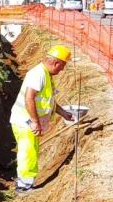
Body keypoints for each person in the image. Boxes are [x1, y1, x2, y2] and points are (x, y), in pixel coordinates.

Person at [10, 43, 77, 192]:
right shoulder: (38, 74)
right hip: (25, 121)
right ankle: (23, 187)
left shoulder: (46, 74)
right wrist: (35, 122)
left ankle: (25, 183)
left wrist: (63, 113)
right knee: (28, 152)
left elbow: (48, 100)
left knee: (30, 151)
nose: (62, 70)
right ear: (56, 63)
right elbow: (29, 98)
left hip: (28, 121)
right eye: (62, 66)